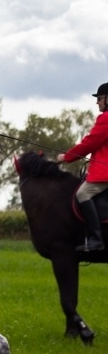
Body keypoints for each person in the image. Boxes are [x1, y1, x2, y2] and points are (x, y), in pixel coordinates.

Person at [56, 82, 108, 252]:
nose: (97, 102)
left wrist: (66, 157)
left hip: (105, 171)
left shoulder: (106, 118)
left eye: (100, 98)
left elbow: (90, 143)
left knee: (82, 193)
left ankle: (96, 239)